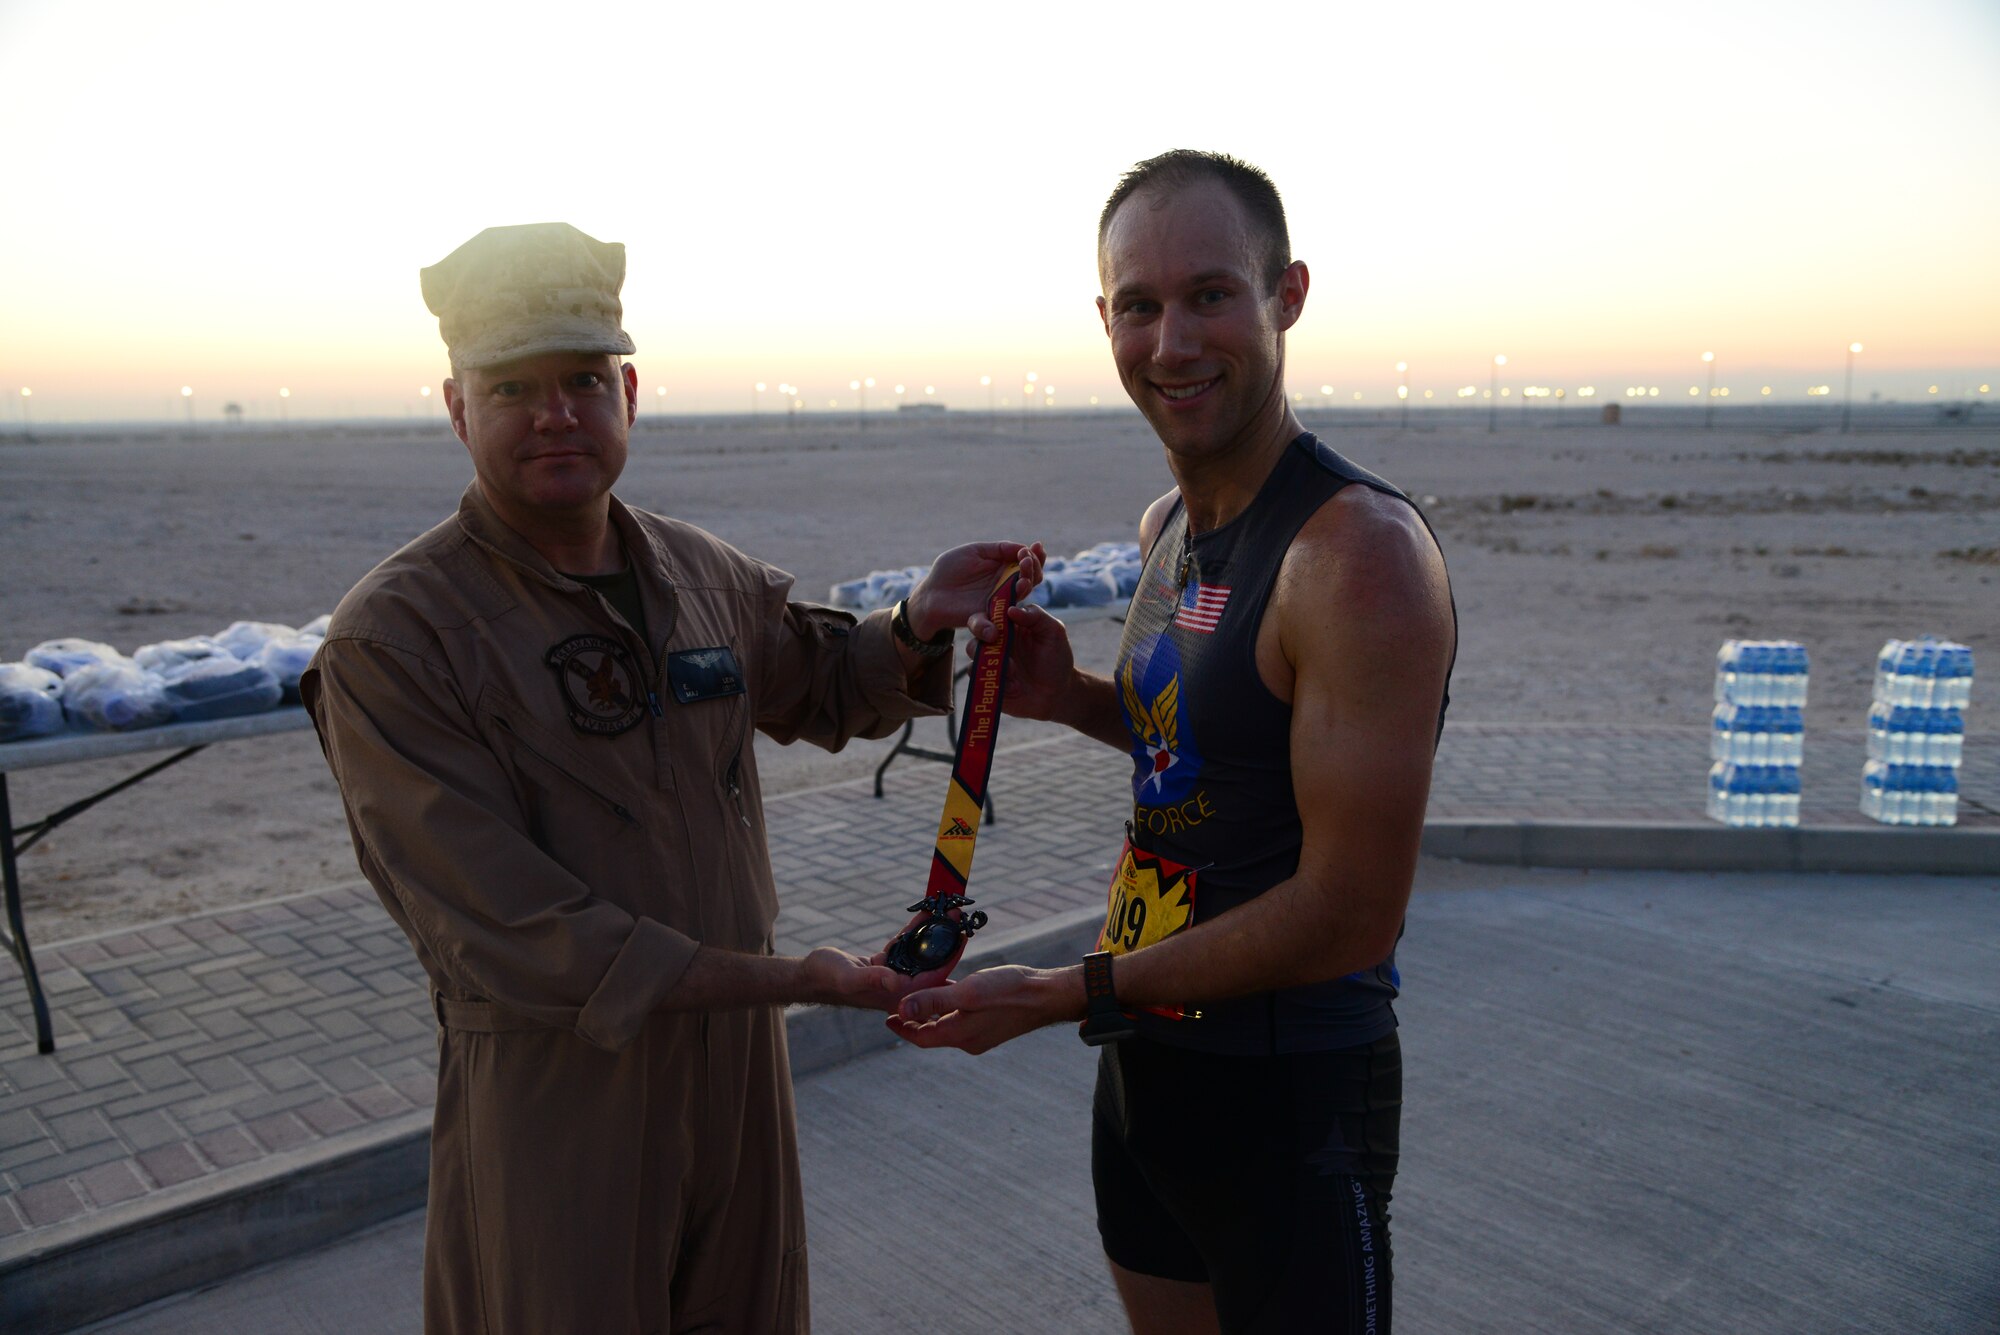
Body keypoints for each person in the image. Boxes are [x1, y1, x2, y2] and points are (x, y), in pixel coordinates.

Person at [299, 221, 1040, 1335]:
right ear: (457, 407)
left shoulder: (701, 578)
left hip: (738, 1073)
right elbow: (511, 928)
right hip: (562, 1085)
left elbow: (825, 678)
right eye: (513, 387)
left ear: (629, 393)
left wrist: (915, 623)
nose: (557, 412)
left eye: (585, 379)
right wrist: (797, 978)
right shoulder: (397, 641)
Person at [890, 151, 1457, 1334]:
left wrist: (1059, 991)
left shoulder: (1356, 558)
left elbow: (1348, 910)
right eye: (1138, 307)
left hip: (1288, 1094)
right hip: (1144, 1073)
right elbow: (1209, 752)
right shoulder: (1167, 527)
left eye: (1210, 295)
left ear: (1285, 297)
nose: (1171, 342)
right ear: (1103, 320)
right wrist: (1074, 698)